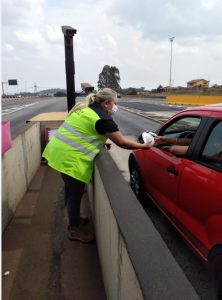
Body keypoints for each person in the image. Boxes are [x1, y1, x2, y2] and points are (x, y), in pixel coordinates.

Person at [42, 88, 152, 243]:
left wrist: (100, 142)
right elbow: (123, 142)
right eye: (115, 103)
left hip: (57, 153)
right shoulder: (104, 120)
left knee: (69, 189)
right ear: (106, 103)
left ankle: (75, 219)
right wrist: (144, 146)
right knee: (75, 194)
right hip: (70, 160)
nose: (116, 106)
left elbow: (85, 133)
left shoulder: (86, 110)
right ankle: (74, 230)